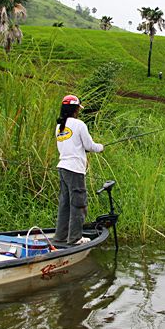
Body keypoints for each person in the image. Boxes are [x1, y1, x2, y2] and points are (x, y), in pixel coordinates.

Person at [54, 95, 103, 245]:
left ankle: (60, 237)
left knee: (65, 204)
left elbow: (69, 146)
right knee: (78, 204)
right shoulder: (79, 124)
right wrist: (100, 147)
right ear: (75, 109)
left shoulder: (59, 126)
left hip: (63, 168)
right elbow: (89, 146)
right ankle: (75, 238)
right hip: (75, 170)